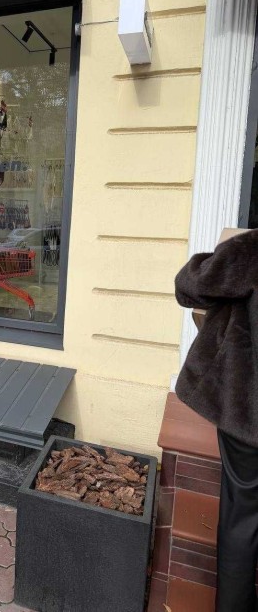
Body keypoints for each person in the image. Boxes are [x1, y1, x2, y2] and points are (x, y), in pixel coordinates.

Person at [175, 229, 258, 612]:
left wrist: (228, 250)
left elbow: (189, 286)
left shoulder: (251, 249)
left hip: (249, 415)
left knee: (242, 518)